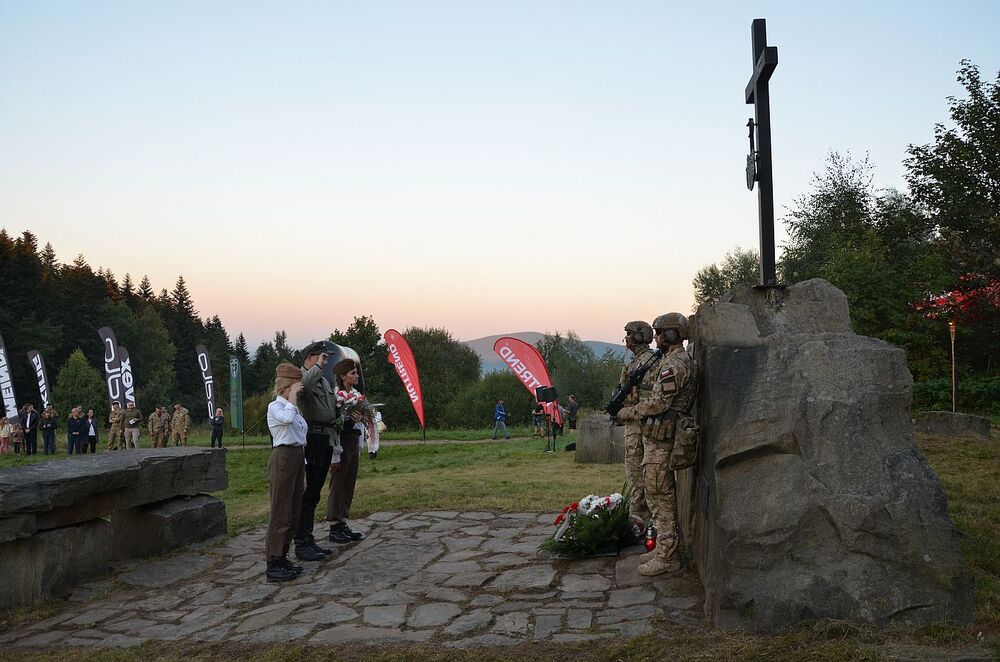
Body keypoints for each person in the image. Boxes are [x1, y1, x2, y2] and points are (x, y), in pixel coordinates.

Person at [617, 313, 696, 577]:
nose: (658, 337)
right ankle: (663, 547)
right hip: (658, 436)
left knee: (660, 494)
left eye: (661, 332)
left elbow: (659, 404)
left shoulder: (673, 365)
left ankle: (667, 555)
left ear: (673, 334)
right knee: (655, 491)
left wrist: (628, 412)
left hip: (663, 438)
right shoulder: (671, 361)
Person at [294, 341, 340, 561]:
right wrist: (318, 367)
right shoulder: (303, 377)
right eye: (322, 357)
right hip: (310, 437)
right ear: (310, 357)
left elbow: (329, 409)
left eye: (326, 358)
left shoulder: (322, 380)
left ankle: (309, 539)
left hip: (324, 437)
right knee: (306, 492)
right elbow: (304, 387)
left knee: (314, 494)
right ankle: (301, 542)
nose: (325, 361)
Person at [264, 363, 308, 583]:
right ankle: (273, 561)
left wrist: (305, 470)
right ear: (286, 386)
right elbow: (288, 421)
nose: (301, 389)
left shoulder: (294, 408)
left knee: (293, 511)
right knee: (280, 511)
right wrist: (292, 398)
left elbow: (301, 437)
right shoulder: (277, 407)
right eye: (297, 385)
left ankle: (283, 556)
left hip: (297, 457)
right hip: (283, 457)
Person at [618, 320, 656, 522]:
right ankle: (638, 514)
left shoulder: (649, 362)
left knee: (639, 471)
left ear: (642, 336)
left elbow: (650, 397)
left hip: (642, 423)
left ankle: (642, 516)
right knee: (633, 470)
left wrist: (629, 411)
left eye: (631, 333)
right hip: (633, 422)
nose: (628, 338)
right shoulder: (633, 362)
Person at [327, 359, 366, 544]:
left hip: (352, 440)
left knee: (349, 482)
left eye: (356, 373)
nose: (356, 376)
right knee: (338, 483)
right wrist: (335, 453)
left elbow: (358, 419)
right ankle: (334, 524)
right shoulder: (337, 396)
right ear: (343, 377)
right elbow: (334, 424)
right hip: (341, 442)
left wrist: (358, 417)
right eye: (353, 373)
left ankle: (343, 521)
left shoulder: (356, 394)